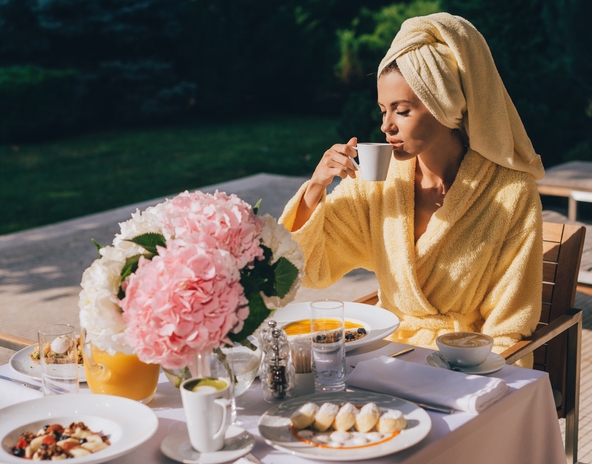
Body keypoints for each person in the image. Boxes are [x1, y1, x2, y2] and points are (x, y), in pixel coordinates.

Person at [279, 12, 545, 367]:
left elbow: (509, 326)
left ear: (444, 106)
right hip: (383, 356)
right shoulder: (376, 184)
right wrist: (316, 187)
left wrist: (476, 380)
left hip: (466, 364)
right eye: (382, 110)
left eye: (402, 111)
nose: (386, 125)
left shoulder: (511, 193)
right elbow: (309, 269)